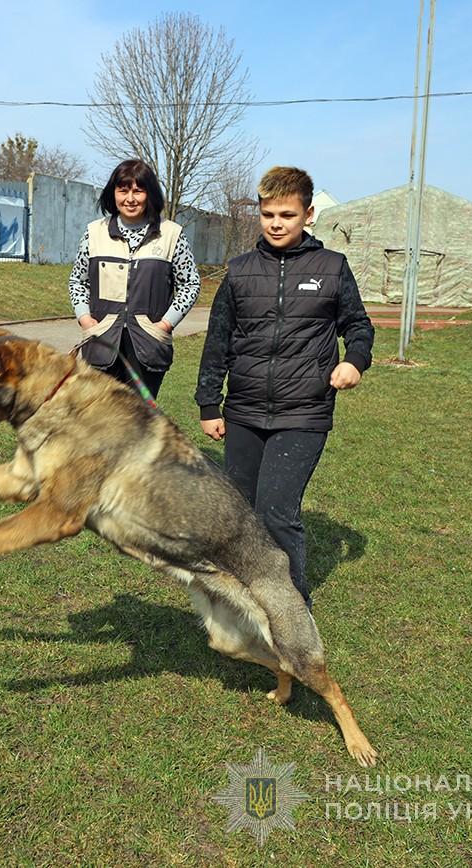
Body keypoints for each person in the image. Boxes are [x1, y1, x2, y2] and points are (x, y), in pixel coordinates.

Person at [195, 166, 375, 608]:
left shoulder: (332, 267)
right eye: (269, 213)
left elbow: (359, 326)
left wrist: (354, 361)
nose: (277, 223)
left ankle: (291, 609)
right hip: (244, 411)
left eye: (288, 214)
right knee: (239, 513)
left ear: (308, 214)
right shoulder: (239, 272)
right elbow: (218, 341)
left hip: (304, 412)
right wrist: (208, 404)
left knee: (276, 511)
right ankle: (242, 600)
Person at [68, 158, 200, 400]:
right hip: (101, 342)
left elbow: (190, 284)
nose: (130, 198)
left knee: (137, 423)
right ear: (113, 193)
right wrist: (86, 320)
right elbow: (78, 281)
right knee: (98, 421)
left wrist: (165, 324)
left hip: (148, 346)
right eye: (123, 190)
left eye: (138, 190)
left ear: (150, 194)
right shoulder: (94, 232)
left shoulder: (172, 234)